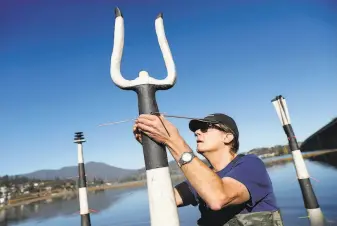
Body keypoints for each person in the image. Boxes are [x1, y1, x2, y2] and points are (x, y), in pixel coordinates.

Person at [133, 113, 284, 226]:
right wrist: (154, 150)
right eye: (196, 131)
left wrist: (173, 140)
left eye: (205, 128)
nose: (197, 132)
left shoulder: (251, 164)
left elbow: (218, 198)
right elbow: (163, 199)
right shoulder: (203, 178)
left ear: (227, 137)